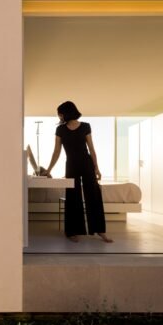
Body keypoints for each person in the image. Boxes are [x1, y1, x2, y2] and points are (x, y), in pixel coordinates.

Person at [44, 101, 113, 243]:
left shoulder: (86, 126)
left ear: (66, 112)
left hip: (86, 164)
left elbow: (92, 149)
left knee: (93, 195)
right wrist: (48, 170)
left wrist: (97, 167)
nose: (59, 116)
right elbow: (56, 151)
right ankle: (72, 231)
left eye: (60, 113)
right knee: (72, 197)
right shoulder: (60, 130)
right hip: (71, 166)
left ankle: (100, 230)